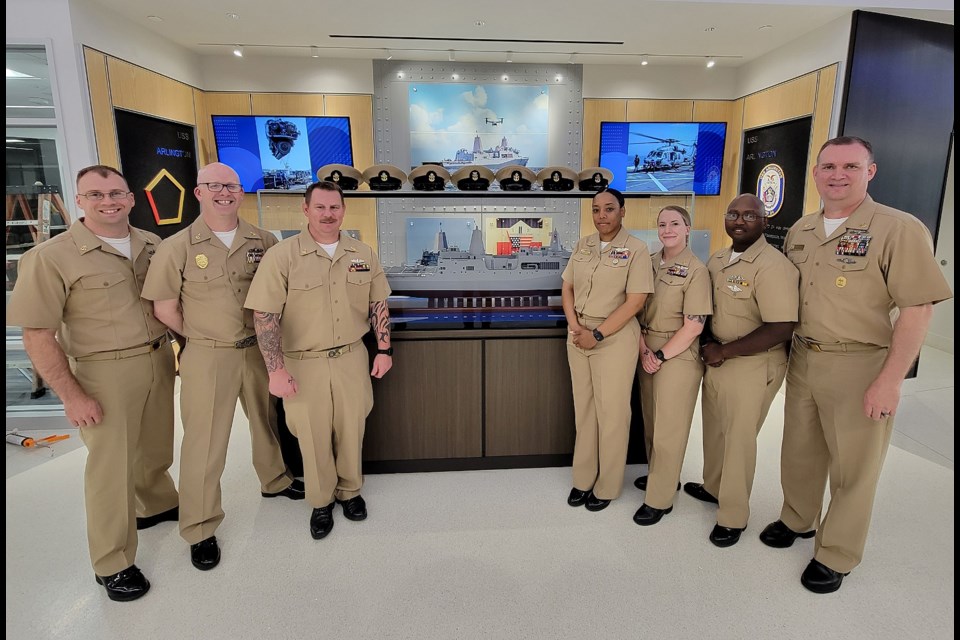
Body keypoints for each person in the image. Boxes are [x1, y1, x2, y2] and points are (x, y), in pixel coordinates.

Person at [761, 136, 951, 594]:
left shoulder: (898, 228)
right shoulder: (802, 230)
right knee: (799, 450)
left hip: (861, 362)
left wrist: (891, 381)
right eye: (828, 166)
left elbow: (917, 309)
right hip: (805, 356)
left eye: (850, 165)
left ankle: (837, 553)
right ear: (816, 174)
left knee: (854, 465)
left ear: (871, 171)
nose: (837, 175)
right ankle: (797, 518)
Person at [6, 165, 179, 602]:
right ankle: (112, 562)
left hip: (157, 358)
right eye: (96, 194)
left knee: (155, 446)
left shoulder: (151, 244)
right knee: (110, 468)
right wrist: (72, 395)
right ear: (79, 200)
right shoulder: (50, 257)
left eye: (116, 193)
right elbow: (37, 335)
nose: (109, 201)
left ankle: (155, 504)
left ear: (131, 198)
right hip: (104, 371)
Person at [142, 162, 302, 572]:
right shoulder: (175, 246)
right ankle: (199, 527)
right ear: (198, 192)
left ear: (241, 192)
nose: (224, 193)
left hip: (259, 350)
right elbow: (164, 308)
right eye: (214, 186)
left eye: (231, 186)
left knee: (267, 421)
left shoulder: (263, 241)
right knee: (205, 441)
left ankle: (275, 480)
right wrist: (199, 336)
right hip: (208, 354)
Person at [244, 180, 393, 540]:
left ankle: (350, 491)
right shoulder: (283, 256)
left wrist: (384, 349)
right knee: (310, 434)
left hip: (351, 357)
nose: (328, 214)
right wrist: (275, 370)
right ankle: (321, 501)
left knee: (352, 426)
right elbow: (265, 315)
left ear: (343, 210)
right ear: (306, 209)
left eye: (335, 207)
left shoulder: (362, 253)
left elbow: (378, 304)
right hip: (302, 361)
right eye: (321, 207)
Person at [685, 193, 798, 548]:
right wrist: (708, 344)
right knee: (715, 430)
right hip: (718, 357)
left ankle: (733, 515)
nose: (739, 220)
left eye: (750, 215)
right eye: (733, 213)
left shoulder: (773, 266)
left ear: (764, 222)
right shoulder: (718, 259)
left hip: (751, 362)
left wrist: (724, 350)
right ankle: (714, 487)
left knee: (738, 441)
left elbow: (781, 326)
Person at [562, 188, 652, 512]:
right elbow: (567, 285)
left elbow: (636, 301)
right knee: (584, 411)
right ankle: (584, 479)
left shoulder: (637, 249)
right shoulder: (583, 244)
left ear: (623, 211)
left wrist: (596, 334)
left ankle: (608, 485)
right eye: (597, 209)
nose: (602, 215)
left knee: (612, 414)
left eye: (609, 209)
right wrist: (575, 326)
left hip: (611, 339)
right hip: (578, 335)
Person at [633, 205, 712, 526]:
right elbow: (635, 311)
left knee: (670, 428)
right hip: (645, 347)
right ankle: (660, 475)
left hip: (676, 355)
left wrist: (659, 355)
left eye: (675, 224)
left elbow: (694, 325)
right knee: (652, 423)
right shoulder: (649, 263)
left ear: (687, 228)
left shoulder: (696, 270)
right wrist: (642, 351)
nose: (667, 229)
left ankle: (660, 498)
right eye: (662, 224)